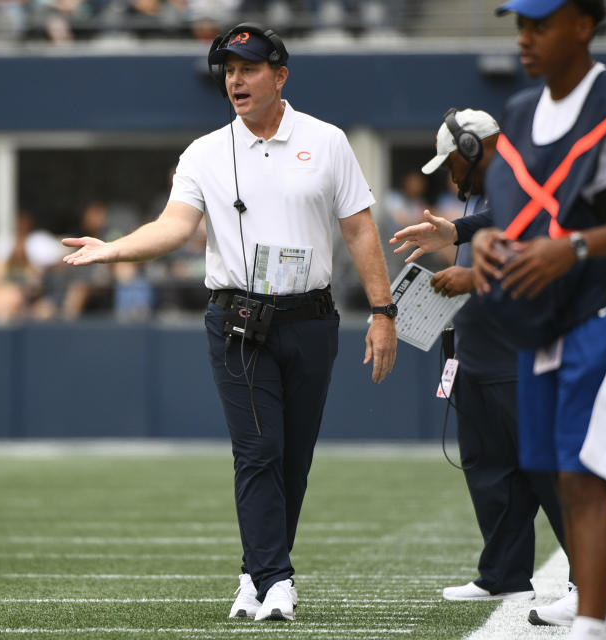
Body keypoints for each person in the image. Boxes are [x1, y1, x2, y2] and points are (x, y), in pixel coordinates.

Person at [61, 22, 397, 622]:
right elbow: (173, 227)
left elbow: (359, 228)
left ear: (280, 75)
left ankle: (255, 572)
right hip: (238, 320)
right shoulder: (205, 152)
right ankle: (276, 578)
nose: (235, 81)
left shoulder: (327, 141)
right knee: (259, 448)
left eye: (248, 68)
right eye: (228, 71)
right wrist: (112, 249)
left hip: (312, 318)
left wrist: (382, 311)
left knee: (293, 456)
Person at [470, 1, 606, 638]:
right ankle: (593, 614)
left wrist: (578, 246)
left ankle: (592, 622)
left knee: (584, 471)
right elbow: (511, 219)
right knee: (555, 469)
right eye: (521, 26)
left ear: (582, 24)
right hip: (546, 311)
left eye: (541, 23)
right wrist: (485, 244)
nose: (526, 39)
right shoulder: (515, 112)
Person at [391, 109, 574, 624]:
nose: (451, 177)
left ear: (472, 148)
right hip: (481, 348)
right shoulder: (488, 194)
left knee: (544, 464)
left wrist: (466, 259)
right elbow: (495, 223)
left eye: (452, 164)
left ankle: (587, 577)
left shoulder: (528, 175)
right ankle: (504, 574)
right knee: (488, 467)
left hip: (522, 346)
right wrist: (456, 231)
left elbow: (534, 228)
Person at [0, 210, 63, 323]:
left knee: (11, 298)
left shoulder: (40, 240)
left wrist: (40, 270)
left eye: (24, 222)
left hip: (33, 289)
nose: (21, 225)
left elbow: (61, 262)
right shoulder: (6, 240)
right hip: (6, 286)